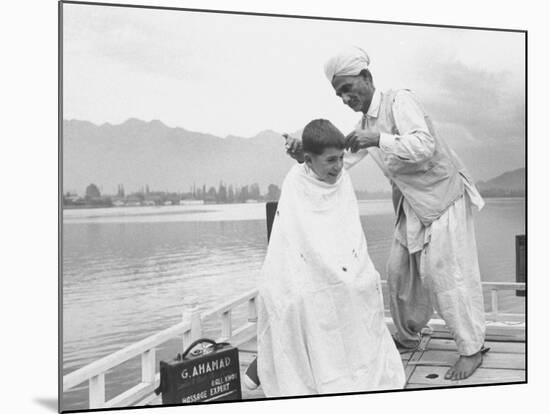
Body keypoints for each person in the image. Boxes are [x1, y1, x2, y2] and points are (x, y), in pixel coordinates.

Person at [285, 46, 487, 381]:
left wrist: (379, 139)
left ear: (367, 78)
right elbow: (338, 165)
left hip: (444, 198)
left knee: (446, 276)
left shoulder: (399, 101)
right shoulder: (363, 125)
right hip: (413, 207)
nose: (346, 98)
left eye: (349, 88)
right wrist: (303, 155)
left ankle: (472, 349)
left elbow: (424, 146)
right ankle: (407, 336)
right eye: (339, 94)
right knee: (397, 272)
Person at [254, 119, 405, 397]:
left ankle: (356, 367)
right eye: (331, 160)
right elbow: (295, 240)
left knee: (361, 285)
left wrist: (344, 271)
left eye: (341, 158)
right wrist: (324, 270)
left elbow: (348, 233)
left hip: (344, 266)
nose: (338, 166)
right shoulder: (296, 182)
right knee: (301, 300)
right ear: (308, 160)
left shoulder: (341, 179)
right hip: (304, 270)